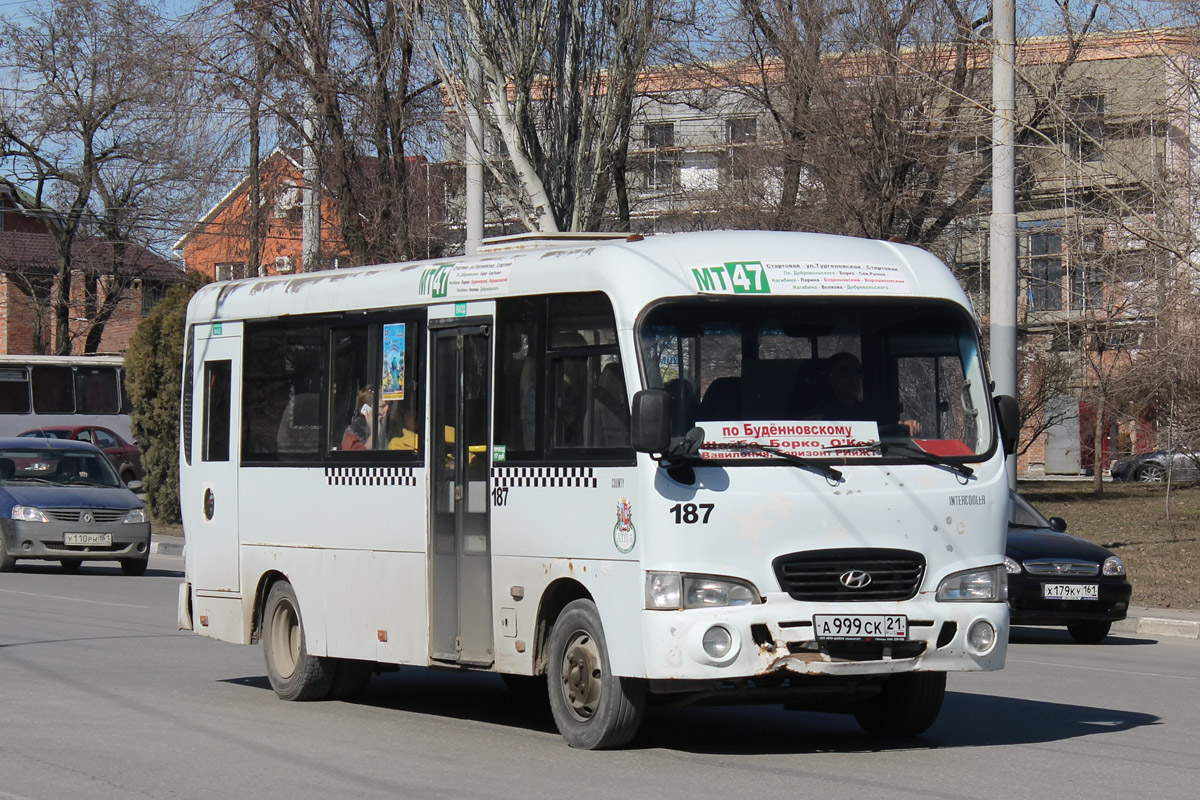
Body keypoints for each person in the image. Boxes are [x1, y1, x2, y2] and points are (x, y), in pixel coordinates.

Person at [821, 352, 922, 435]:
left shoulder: (870, 413)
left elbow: (890, 429)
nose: (854, 378)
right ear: (831, 379)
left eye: (858, 372)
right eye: (845, 372)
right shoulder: (820, 416)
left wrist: (907, 426)